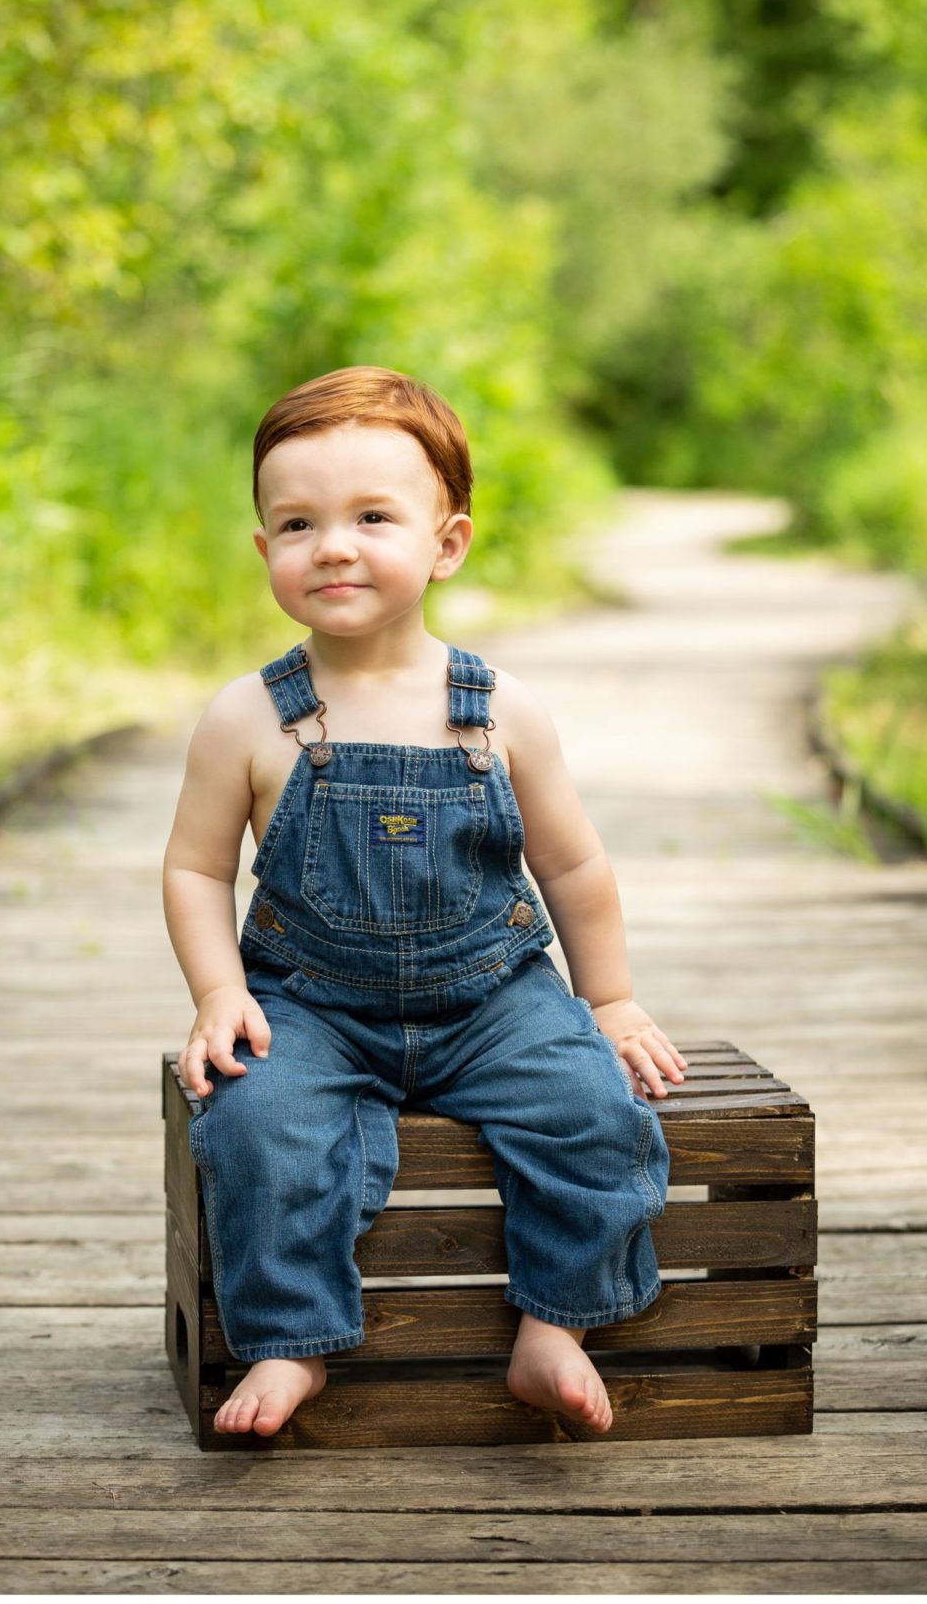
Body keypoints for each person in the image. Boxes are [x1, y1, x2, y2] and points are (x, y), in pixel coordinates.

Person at [162, 365, 686, 1440]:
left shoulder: (497, 713)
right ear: (265, 551)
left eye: (370, 518)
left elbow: (573, 868)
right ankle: (286, 1338)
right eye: (297, 523)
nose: (334, 546)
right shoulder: (246, 718)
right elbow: (195, 869)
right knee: (257, 1122)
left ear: (445, 544)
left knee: (596, 1115)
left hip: (492, 996)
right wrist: (219, 992)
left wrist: (613, 1000)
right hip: (310, 1001)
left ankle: (556, 1326)